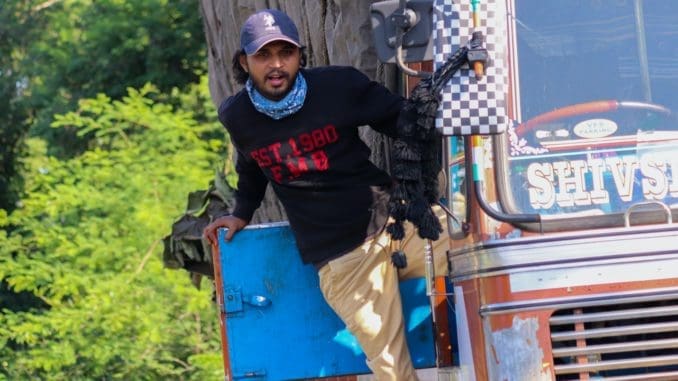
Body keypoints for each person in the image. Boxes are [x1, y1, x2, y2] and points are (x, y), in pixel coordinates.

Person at [203, 8, 449, 380]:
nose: (276, 65)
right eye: (263, 55)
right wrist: (241, 212)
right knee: (391, 369)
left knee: (482, 250)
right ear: (244, 61)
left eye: (285, 53)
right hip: (344, 260)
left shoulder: (338, 87)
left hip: (398, 223)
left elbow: (400, 120)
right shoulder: (238, 116)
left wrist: (432, 110)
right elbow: (251, 167)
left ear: (300, 55)